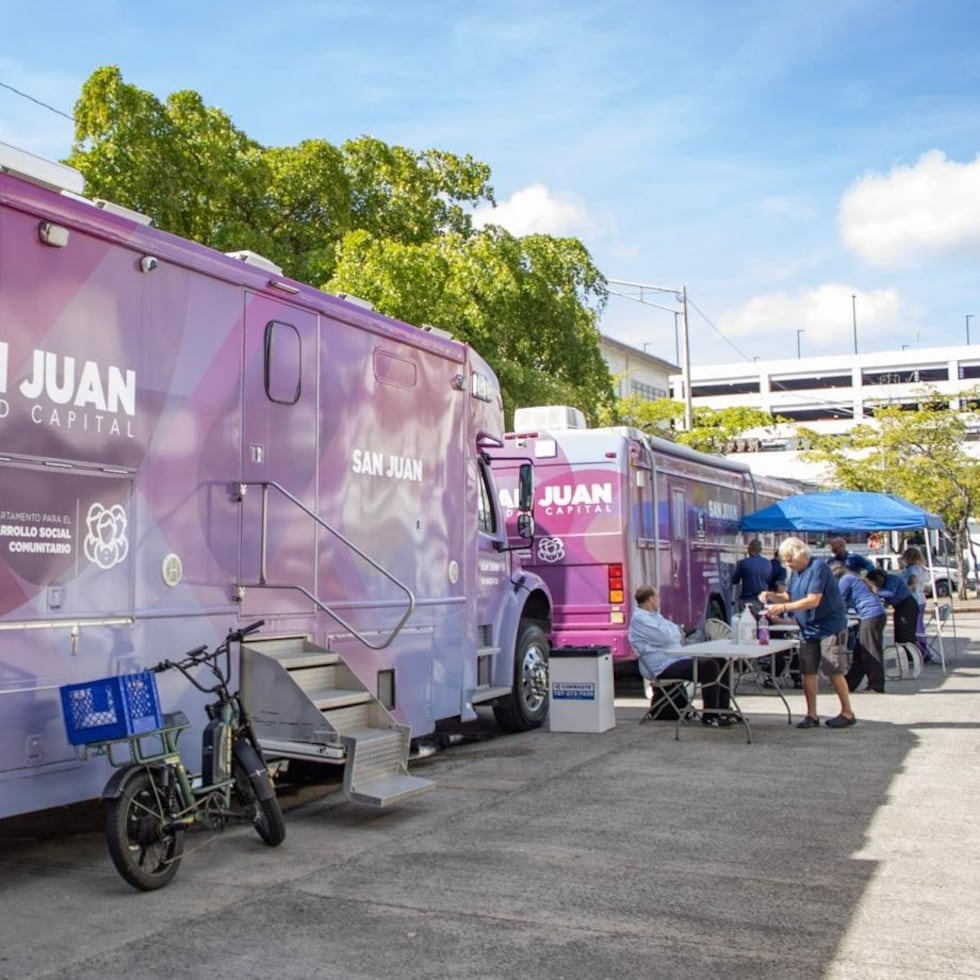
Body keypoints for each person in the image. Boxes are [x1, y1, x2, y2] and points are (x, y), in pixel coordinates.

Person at [758, 537, 856, 729]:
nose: (787, 564)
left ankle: (847, 712)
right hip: (808, 629)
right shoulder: (796, 572)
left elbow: (813, 600)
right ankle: (811, 715)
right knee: (808, 671)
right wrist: (772, 596)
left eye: (789, 560)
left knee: (833, 670)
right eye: (785, 561)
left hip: (829, 626)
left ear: (801, 555)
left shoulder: (818, 568)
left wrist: (783, 607)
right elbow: (791, 595)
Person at [628, 585, 735, 727]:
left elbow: (674, 629)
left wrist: (676, 632)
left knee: (721, 660)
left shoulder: (655, 616)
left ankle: (724, 710)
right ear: (650, 599)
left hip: (675, 658)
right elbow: (665, 636)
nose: (660, 600)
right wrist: (677, 633)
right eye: (657, 597)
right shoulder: (640, 619)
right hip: (662, 666)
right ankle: (710, 715)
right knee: (709, 666)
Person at [836, 558, 887, 693]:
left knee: (870, 651)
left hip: (870, 615)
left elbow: (839, 600)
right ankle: (849, 683)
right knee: (860, 650)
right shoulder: (855, 578)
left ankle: (876, 684)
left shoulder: (845, 579)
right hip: (875, 614)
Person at [866, 568, 919, 646]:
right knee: (899, 632)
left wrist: (876, 590)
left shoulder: (892, 579)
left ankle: (909, 655)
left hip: (907, 606)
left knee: (905, 634)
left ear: (879, 578)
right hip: (898, 608)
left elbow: (890, 593)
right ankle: (901, 653)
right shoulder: (884, 583)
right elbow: (887, 600)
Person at [900, 547, 932, 661]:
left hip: (913, 600)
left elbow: (912, 584)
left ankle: (919, 652)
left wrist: (906, 588)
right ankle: (923, 650)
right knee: (919, 625)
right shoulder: (922, 569)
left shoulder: (912, 570)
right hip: (921, 599)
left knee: (915, 628)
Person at [731, 539, 773, 613]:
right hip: (763, 599)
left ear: (750, 549)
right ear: (760, 550)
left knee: (747, 622)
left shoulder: (743, 563)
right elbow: (770, 580)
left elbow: (735, 580)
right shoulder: (768, 563)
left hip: (748, 600)